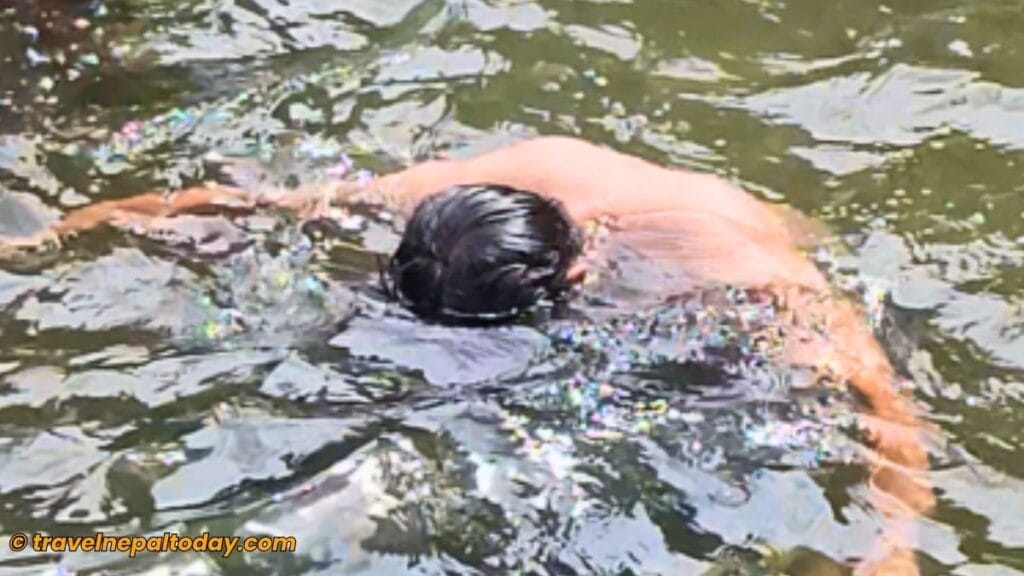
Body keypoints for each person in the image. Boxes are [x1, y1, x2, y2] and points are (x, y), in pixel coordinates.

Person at [0, 135, 933, 574]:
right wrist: (73, 230)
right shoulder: (448, 195)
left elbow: (884, 406)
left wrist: (894, 540)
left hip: (718, 311)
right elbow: (236, 204)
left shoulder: (733, 262)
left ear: (582, 268)